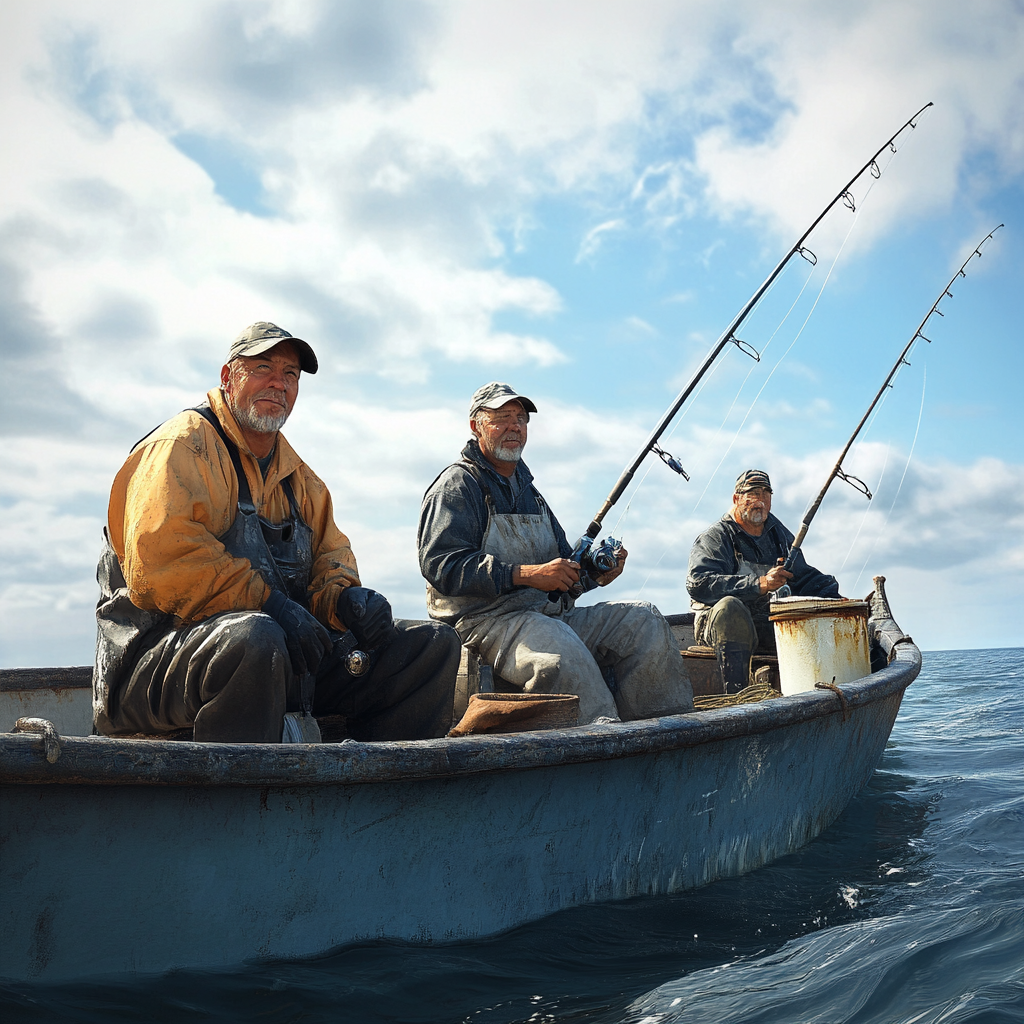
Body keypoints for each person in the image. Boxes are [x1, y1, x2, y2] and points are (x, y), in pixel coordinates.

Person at [93, 321, 461, 743]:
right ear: (228, 377)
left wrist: (345, 600)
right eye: (263, 368)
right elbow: (161, 564)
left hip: (274, 659)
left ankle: (381, 798)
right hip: (150, 666)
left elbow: (331, 559)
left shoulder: (301, 480)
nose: (278, 384)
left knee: (432, 645)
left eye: (290, 375)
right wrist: (272, 605)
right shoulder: (181, 447)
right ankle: (236, 805)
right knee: (256, 637)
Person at [417, 382, 693, 724]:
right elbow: (440, 564)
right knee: (559, 649)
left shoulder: (531, 493)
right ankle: (603, 740)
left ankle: (666, 735)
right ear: (476, 426)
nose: (515, 427)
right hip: (484, 624)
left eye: (521, 418)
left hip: (546, 616)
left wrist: (594, 574)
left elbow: (562, 571)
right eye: (502, 417)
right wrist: (525, 575)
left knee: (643, 620)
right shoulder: (458, 485)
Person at [686, 469, 840, 693]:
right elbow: (698, 584)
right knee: (730, 608)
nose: (760, 501)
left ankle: (813, 690)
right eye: (753, 494)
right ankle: (737, 697)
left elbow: (804, 577)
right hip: (718, 627)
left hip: (766, 623)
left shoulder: (780, 535)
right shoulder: (716, 537)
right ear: (736, 499)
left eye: (766, 494)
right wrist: (759, 584)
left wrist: (836, 597)